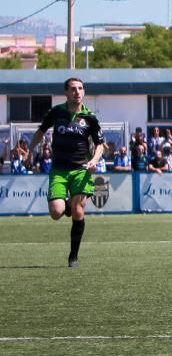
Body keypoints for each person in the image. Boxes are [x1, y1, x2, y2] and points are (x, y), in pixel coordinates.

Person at [28, 77, 105, 268]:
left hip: (81, 169)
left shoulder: (90, 117)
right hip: (59, 170)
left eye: (80, 88)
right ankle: (68, 206)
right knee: (56, 212)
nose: (77, 92)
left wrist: (94, 160)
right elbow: (41, 131)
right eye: (72, 89)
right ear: (66, 92)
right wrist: (30, 150)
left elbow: (100, 144)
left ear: (84, 92)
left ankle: (73, 256)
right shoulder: (56, 112)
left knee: (79, 211)